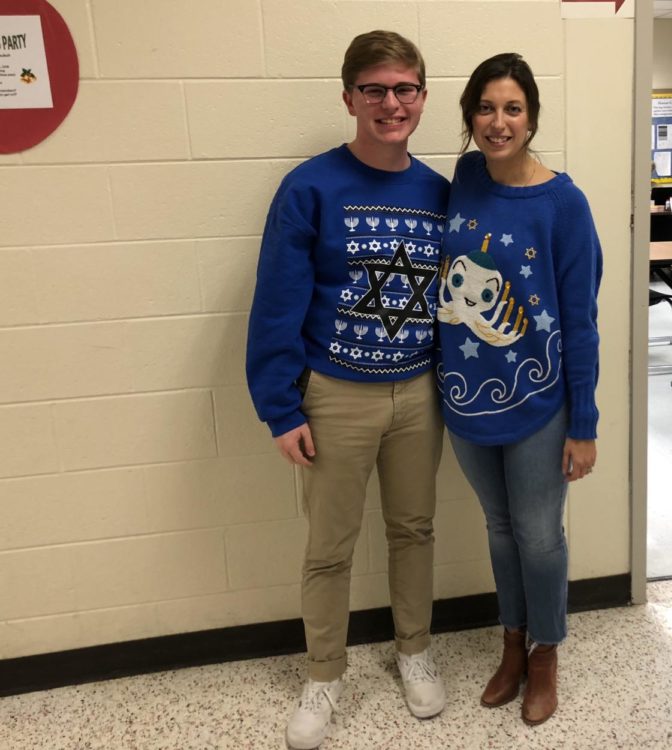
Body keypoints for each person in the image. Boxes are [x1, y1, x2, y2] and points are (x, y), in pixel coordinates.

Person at [246, 30, 449, 750]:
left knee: (414, 530)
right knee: (330, 546)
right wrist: (279, 406)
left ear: (422, 97)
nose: (390, 103)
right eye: (374, 89)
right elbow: (277, 301)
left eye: (404, 89)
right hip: (335, 394)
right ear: (349, 98)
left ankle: (415, 651)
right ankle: (325, 673)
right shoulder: (310, 187)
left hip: (420, 394)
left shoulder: (439, 192)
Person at [436, 53, 602, 726]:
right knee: (500, 529)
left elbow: (581, 318)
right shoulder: (466, 174)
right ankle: (510, 643)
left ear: (532, 117)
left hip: (538, 402)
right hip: (465, 398)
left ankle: (545, 653)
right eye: (485, 108)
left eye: (512, 109)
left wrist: (583, 422)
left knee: (538, 535)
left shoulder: (563, 202)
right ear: (469, 116)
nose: (497, 122)